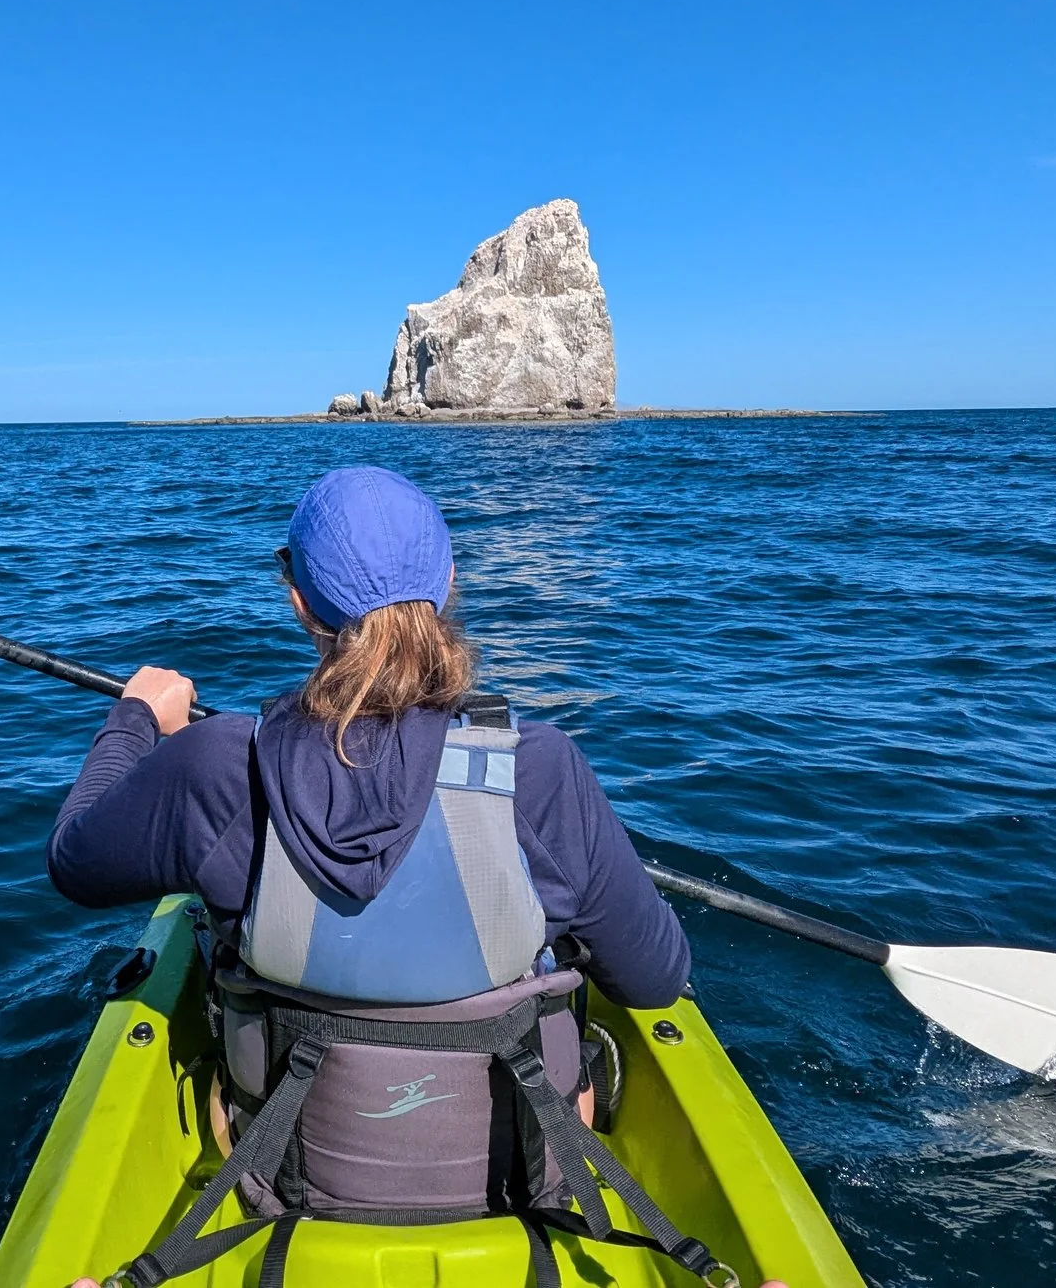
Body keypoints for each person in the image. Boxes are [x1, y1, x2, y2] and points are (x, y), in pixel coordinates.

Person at [51, 467, 731, 1288]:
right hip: (525, 1176)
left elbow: (74, 861)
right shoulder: (542, 772)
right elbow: (657, 980)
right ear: (446, 586)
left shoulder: (217, 768)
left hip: (279, 1173)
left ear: (298, 601)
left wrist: (133, 721)